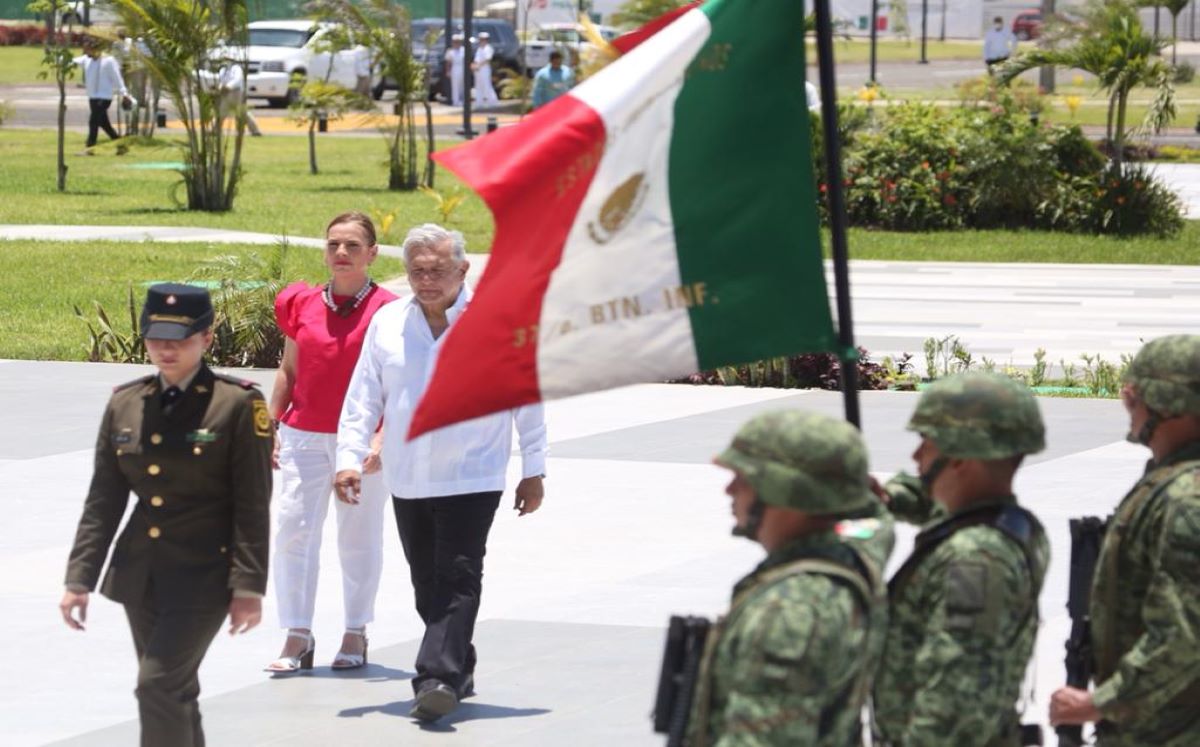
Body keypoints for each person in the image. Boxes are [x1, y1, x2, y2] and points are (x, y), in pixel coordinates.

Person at [335, 223, 547, 722]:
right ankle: (461, 665)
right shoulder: (387, 323)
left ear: (464, 269)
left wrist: (534, 469)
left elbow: (527, 397)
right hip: (409, 475)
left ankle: (436, 678)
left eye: (438, 270)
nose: (426, 280)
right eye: (417, 271)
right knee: (426, 583)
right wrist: (349, 457)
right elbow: (363, 397)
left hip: (473, 474)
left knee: (457, 574)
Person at [60, 283, 272, 747]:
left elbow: (252, 503)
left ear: (207, 338)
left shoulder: (237, 403)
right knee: (175, 690)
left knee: (156, 684)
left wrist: (249, 586)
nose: (166, 348)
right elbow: (104, 500)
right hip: (143, 573)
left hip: (207, 574)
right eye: (156, 338)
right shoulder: (126, 402)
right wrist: (79, 578)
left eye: (180, 338)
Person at [688, 410, 891, 745]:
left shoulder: (788, 612)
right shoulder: (855, 557)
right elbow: (877, 521)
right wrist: (850, 487)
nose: (730, 489)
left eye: (744, 478)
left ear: (785, 490)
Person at [873, 372, 1050, 746]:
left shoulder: (976, 560)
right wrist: (886, 498)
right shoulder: (1009, 523)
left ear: (960, 458)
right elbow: (924, 497)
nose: (916, 456)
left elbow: (954, 705)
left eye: (927, 442)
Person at [1049, 335, 1200, 745]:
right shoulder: (1169, 480)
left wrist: (1098, 704)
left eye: (1134, 397)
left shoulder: (1187, 499)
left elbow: (1183, 635)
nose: (1128, 406)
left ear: (1170, 406)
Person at [264, 212, 398, 674]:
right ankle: (297, 633)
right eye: (334, 244)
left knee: (358, 537)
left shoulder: (391, 309)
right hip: (303, 434)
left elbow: (400, 385)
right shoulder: (301, 303)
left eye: (353, 246)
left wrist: (382, 438)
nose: (341, 253)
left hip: (360, 442)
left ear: (373, 253)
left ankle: (355, 630)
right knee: (292, 531)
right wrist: (271, 424)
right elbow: (289, 370)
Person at [75, 39, 131, 152]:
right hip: (93, 97)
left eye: (88, 49)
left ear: (96, 49)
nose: (86, 52)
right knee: (104, 124)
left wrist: (124, 93)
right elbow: (71, 61)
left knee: (93, 121)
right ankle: (121, 146)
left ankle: (89, 148)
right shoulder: (86, 60)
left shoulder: (109, 61)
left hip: (104, 97)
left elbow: (117, 78)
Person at [209, 61, 262, 137]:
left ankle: (255, 130)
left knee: (242, 113)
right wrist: (220, 88)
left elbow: (237, 80)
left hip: (236, 93)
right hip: (226, 93)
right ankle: (214, 130)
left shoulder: (236, 69)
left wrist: (228, 86)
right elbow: (222, 81)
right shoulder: (222, 70)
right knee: (221, 112)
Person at [472, 31, 499, 108]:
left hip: (484, 69)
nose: (481, 41)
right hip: (478, 69)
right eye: (480, 39)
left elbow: (487, 59)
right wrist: (474, 65)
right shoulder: (479, 49)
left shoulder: (488, 48)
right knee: (478, 86)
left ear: (486, 40)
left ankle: (492, 102)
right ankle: (479, 103)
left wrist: (478, 65)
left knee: (486, 85)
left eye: (483, 39)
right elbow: (476, 59)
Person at [444, 34, 466, 107]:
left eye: (458, 42)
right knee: (455, 85)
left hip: (462, 68)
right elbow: (448, 62)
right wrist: (448, 71)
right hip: (455, 68)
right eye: (455, 42)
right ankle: (455, 101)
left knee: (462, 85)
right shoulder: (450, 51)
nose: (456, 43)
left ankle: (462, 100)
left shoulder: (463, 50)